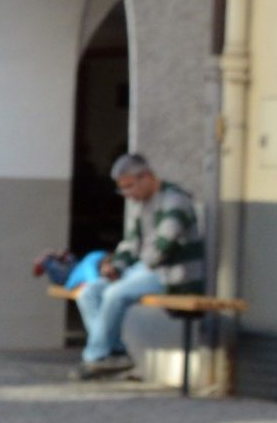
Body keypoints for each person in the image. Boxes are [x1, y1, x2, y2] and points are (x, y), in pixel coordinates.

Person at [73, 152, 206, 379]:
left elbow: (164, 246)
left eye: (129, 186)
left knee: (115, 292)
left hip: (174, 275)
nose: (127, 194)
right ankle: (116, 352)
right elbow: (131, 244)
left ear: (146, 177)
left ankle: (96, 356)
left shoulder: (175, 200)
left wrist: (129, 274)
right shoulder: (141, 205)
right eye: (122, 189)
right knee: (88, 293)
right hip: (148, 271)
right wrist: (116, 267)